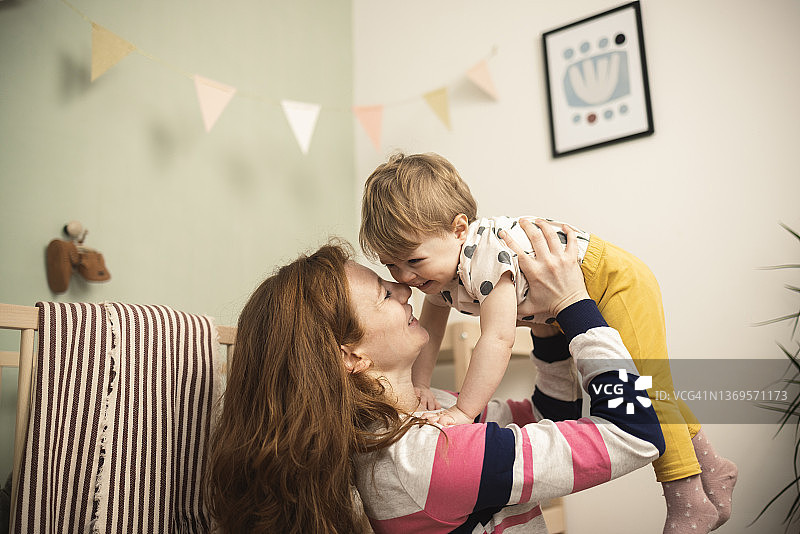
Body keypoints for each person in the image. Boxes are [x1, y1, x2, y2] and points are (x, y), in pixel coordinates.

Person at [359, 152, 738, 533]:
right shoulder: (439, 277)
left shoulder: (483, 258)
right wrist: (421, 384)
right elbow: (433, 327)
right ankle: (712, 466)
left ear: (460, 230)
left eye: (413, 261)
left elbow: (498, 338)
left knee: (644, 391)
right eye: (391, 267)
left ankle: (686, 497)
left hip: (613, 281)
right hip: (566, 305)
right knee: (651, 387)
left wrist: (461, 412)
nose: (404, 278)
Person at [205, 222, 665, 533]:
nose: (405, 288)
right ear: (351, 355)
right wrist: (576, 306)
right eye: (385, 294)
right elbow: (635, 434)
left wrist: (545, 329)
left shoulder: (430, 415)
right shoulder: (427, 459)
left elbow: (546, 417)